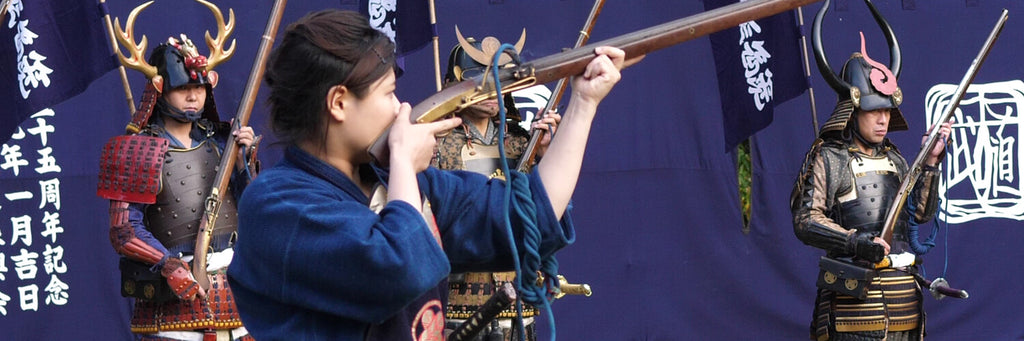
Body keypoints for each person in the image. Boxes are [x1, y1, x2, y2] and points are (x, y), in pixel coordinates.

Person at [225, 9, 626, 341]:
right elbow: (397, 270)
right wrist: (402, 162)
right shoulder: (276, 204)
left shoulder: (398, 182)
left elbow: (530, 217)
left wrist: (584, 104)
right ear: (339, 103)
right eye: (387, 94)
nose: (401, 107)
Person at [97, 3, 259, 339]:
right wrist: (168, 265)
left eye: (199, 89)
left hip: (234, 294)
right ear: (160, 89)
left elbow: (253, 208)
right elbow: (124, 231)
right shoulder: (138, 148)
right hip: (173, 301)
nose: (193, 98)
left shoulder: (223, 141)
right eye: (183, 89)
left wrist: (244, 161)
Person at [790, 2, 951, 340]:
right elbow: (806, 220)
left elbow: (919, 215)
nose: (883, 119)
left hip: (904, 301)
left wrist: (931, 161)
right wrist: (856, 241)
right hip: (852, 307)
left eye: (888, 111)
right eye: (874, 111)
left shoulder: (895, 159)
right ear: (853, 109)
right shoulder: (829, 157)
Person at [433, 31, 561, 341]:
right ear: (454, 84)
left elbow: (542, 215)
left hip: (517, 301)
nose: (493, 91)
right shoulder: (432, 145)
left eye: (499, 81)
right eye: (483, 81)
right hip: (456, 301)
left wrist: (544, 156)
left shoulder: (522, 141)